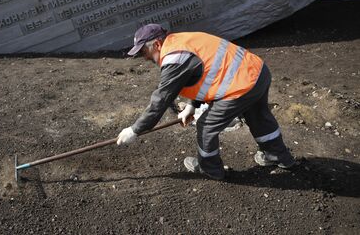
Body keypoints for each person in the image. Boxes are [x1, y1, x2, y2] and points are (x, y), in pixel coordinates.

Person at [116, 24, 294, 180]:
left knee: (207, 126)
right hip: (257, 72)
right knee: (258, 116)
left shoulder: (174, 57)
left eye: (143, 51)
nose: (143, 56)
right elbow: (206, 74)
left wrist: (135, 129)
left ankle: (210, 169)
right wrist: (192, 106)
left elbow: (160, 101)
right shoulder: (182, 41)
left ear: (156, 44)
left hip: (242, 84)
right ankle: (278, 155)